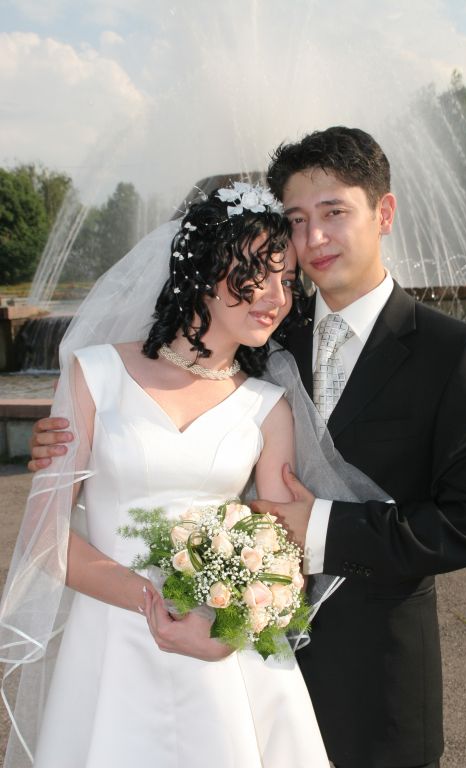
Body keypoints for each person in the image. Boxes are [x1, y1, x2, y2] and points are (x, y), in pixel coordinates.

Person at [27, 127, 466, 767]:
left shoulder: (452, 352)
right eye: (297, 220)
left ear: (383, 213)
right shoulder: (266, 331)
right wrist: (72, 443)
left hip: (371, 676)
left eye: (334, 212)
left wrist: (318, 531)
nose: (313, 239)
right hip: (215, 659)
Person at [1, 185, 337, 768]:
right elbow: (44, 540)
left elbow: (284, 556)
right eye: (259, 274)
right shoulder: (94, 375)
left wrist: (221, 626)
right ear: (206, 269)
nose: (277, 298)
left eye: (287, 282)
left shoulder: (268, 407)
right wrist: (157, 603)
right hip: (109, 645)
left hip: (224, 657)